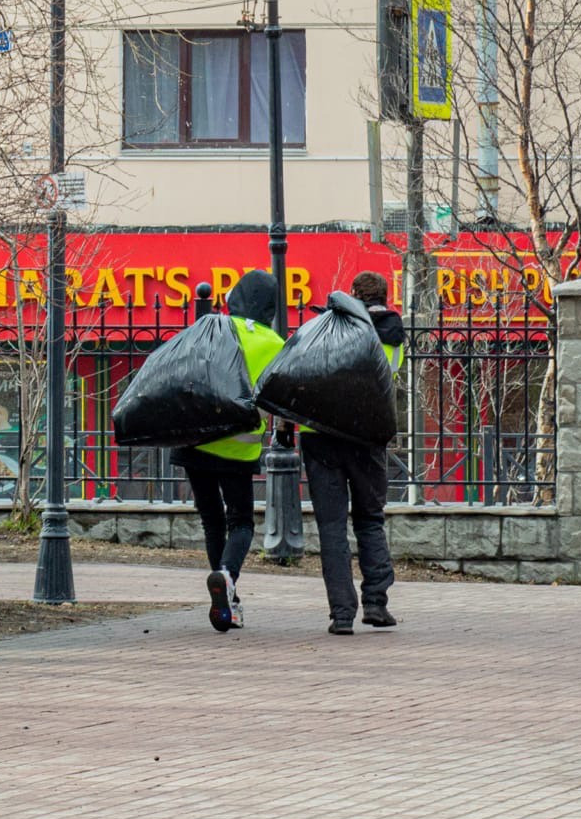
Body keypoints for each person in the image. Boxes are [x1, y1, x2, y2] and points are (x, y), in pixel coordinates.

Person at [174, 269, 285, 634]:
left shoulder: (212, 329)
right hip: (238, 449)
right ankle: (226, 576)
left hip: (196, 440)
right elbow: (279, 399)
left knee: (211, 519)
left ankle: (226, 605)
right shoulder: (274, 343)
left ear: (234, 297)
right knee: (240, 521)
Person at [305, 271, 408, 635]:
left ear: (351, 296)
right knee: (369, 519)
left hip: (321, 439)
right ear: (385, 296)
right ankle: (377, 603)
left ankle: (342, 614)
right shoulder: (393, 336)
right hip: (367, 437)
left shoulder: (328, 328)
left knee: (332, 528)